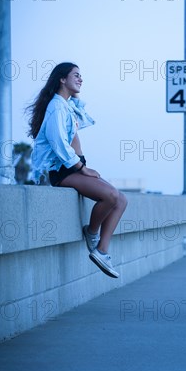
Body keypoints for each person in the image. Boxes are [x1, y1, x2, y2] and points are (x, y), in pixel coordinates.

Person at [27, 62, 127, 278]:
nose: (81, 79)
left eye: (81, 76)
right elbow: (58, 143)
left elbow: (83, 119)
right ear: (62, 79)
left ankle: (101, 251)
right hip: (64, 169)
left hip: (73, 166)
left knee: (121, 200)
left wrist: (75, 97)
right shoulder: (56, 106)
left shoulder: (66, 105)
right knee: (110, 195)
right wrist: (81, 168)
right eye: (76, 75)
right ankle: (91, 233)